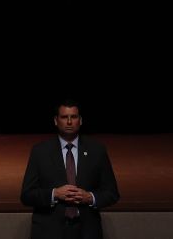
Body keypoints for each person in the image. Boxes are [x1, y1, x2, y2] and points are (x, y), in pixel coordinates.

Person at [20, 100, 119, 239]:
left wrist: (90, 198)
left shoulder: (97, 150)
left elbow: (112, 193)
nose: (69, 122)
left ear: (81, 120)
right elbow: (26, 195)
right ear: (56, 120)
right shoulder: (40, 151)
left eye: (73, 117)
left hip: (87, 231)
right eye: (64, 117)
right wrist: (55, 194)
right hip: (49, 231)